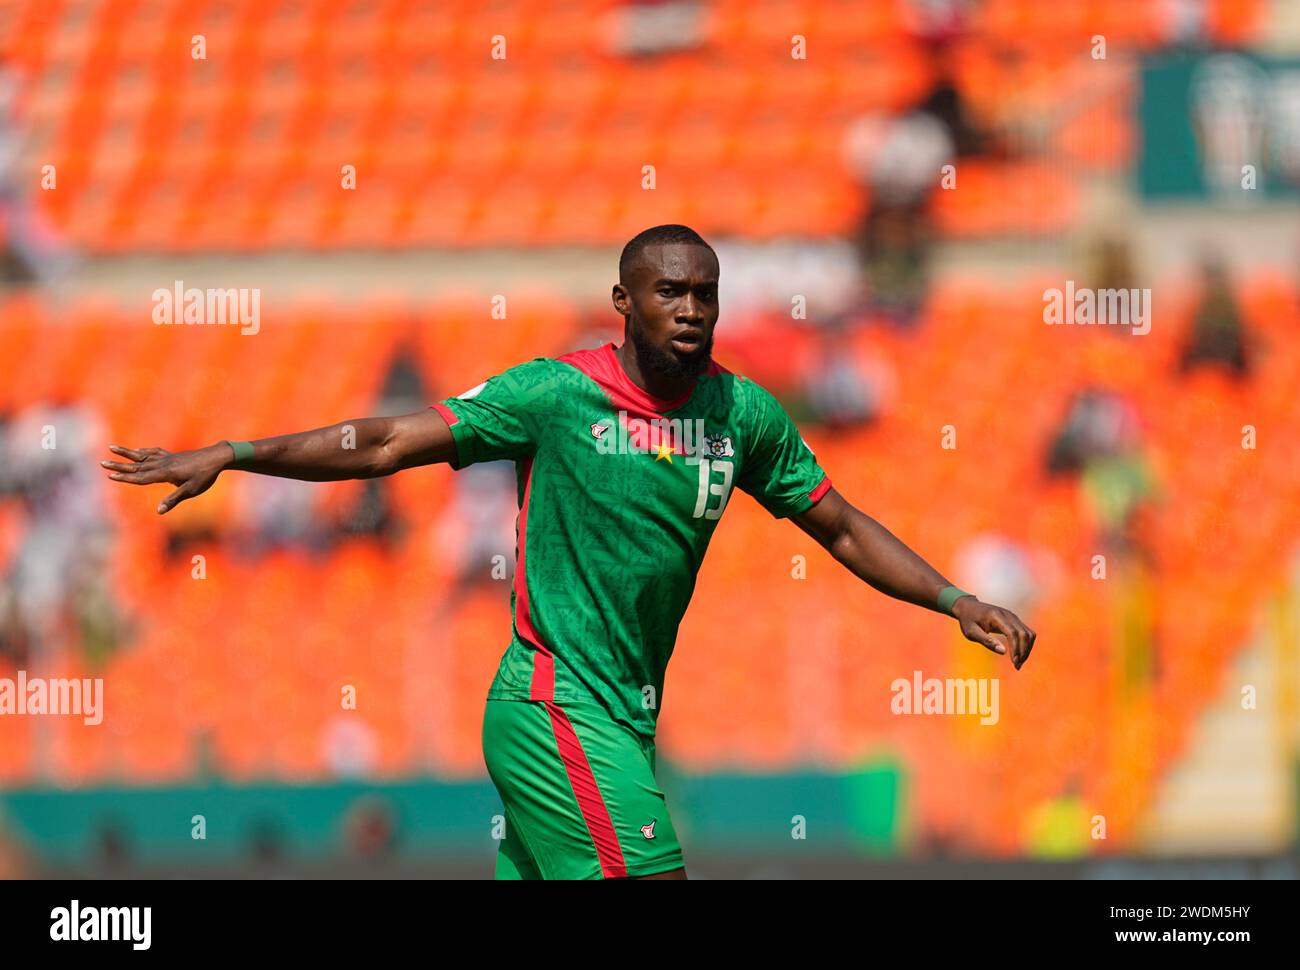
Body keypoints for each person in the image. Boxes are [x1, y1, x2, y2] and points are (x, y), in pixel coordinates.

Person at [101, 224, 1037, 880]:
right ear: (623, 302)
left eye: (706, 293)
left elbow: (837, 523)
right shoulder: (555, 397)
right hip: (554, 706)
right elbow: (386, 443)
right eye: (671, 291)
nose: (692, 309)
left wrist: (953, 599)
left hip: (624, 719)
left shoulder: (741, 414)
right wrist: (236, 452)